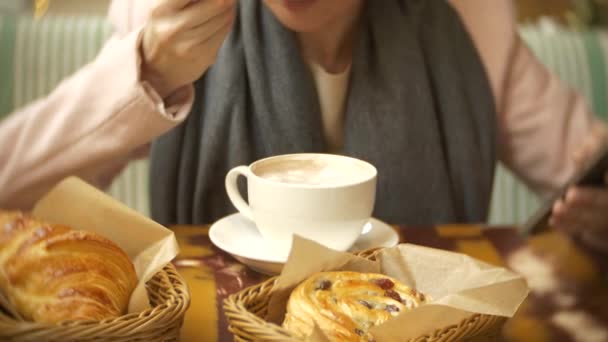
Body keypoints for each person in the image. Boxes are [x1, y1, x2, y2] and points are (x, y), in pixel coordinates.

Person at [0, 0, 606, 250]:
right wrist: (147, 73)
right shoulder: (165, 11)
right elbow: (11, 187)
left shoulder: (467, 19)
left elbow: (581, 172)